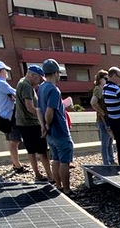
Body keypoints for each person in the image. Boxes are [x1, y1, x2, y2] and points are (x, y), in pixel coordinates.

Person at [37, 59, 74, 196]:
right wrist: (47, 124)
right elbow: (49, 111)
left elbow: (38, 110)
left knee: (55, 159)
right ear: (55, 73)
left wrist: (44, 127)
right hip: (59, 131)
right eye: (59, 72)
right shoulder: (54, 90)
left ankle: (58, 186)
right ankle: (67, 189)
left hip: (50, 134)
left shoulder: (41, 87)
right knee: (64, 161)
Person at [0, 60, 27, 174]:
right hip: (10, 115)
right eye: (5, 70)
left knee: (10, 140)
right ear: (1, 71)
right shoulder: (0, 82)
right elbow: (16, 93)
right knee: (14, 141)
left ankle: (15, 163)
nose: (6, 73)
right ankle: (18, 166)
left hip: (3, 115)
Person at [15, 65, 52, 182]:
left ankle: (37, 174)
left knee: (31, 150)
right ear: (31, 75)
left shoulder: (21, 82)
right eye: (38, 78)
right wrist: (42, 116)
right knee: (42, 150)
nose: (39, 81)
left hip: (22, 123)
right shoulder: (26, 86)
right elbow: (30, 107)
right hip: (31, 123)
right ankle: (50, 175)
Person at [90, 69, 115, 165]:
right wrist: (102, 112)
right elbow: (93, 102)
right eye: (105, 78)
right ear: (100, 79)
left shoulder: (105, 89)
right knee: (105, 143)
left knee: (109, 142)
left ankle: (111, 160)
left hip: (107, 118)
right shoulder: (98, 89)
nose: (107, 80)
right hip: (103, 120)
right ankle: (106, 163)